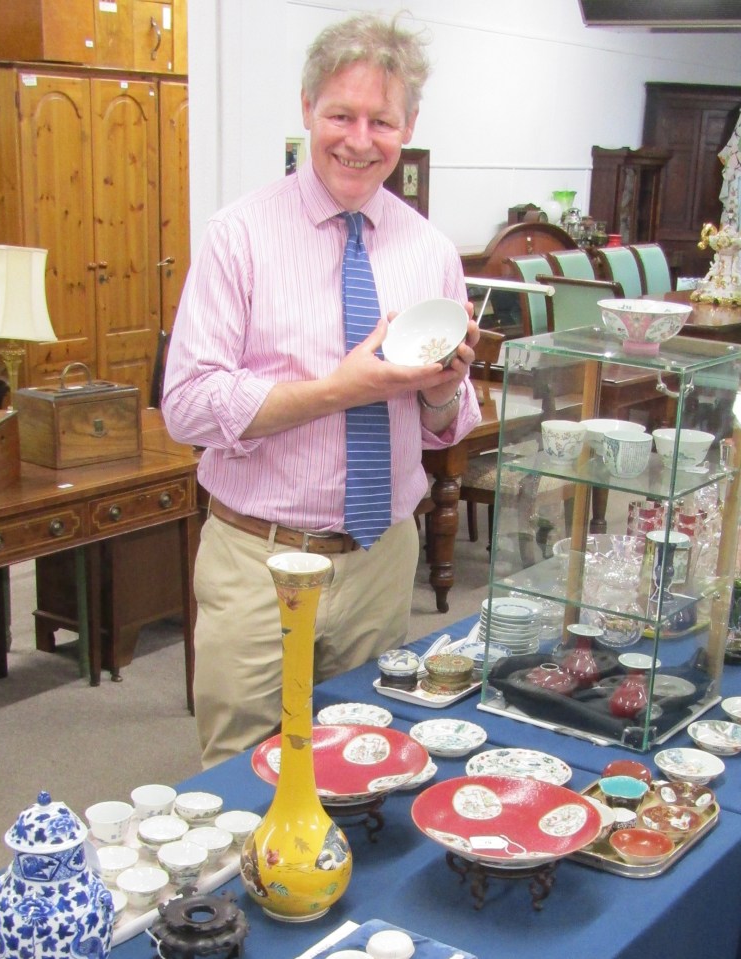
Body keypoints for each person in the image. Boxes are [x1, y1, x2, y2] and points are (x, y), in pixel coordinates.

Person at [162, 12, 481, 768]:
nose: (359, 139)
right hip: (258, 559)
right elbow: (188, 405)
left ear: (409, 127)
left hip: (378, 557)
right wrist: (337, 389)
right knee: (241, 775)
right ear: (308, 108)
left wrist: (444, 385)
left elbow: (444, 428)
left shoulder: (429, 250)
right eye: (340, 114)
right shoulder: (237, 235)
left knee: (362, 765)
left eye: (382, 120)